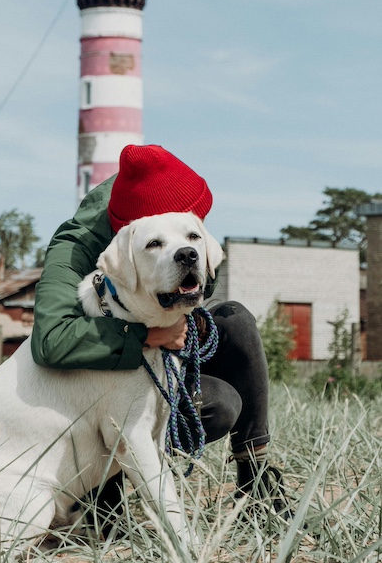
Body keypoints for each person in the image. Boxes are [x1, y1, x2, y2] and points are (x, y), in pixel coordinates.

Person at [31, 144, 290, 530]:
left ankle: (257, 483)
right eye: (160, 239)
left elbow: (193, 289)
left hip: (165, 363)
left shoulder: (175, 228)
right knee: (215, 404)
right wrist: (148, 335)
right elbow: (51, 339)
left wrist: (192, 324)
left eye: (193, 228)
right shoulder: (75, 250)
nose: (187, 243)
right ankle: (103, 493)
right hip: (100, 401)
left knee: (236, 321)